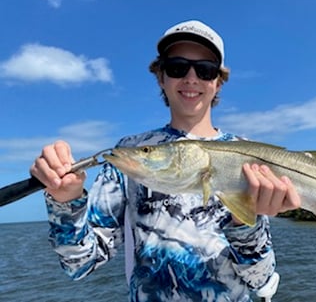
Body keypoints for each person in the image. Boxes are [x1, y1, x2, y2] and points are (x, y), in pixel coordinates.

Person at [30, 19, 301, 302]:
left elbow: (261, 279)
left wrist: (247, 223)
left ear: (218, 82)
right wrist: (66, 201)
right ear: (161, 76)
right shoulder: (130, 152)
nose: (191, 79)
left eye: (205, 70)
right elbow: (79, 264)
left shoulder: (249, 157)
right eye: (177, 68)